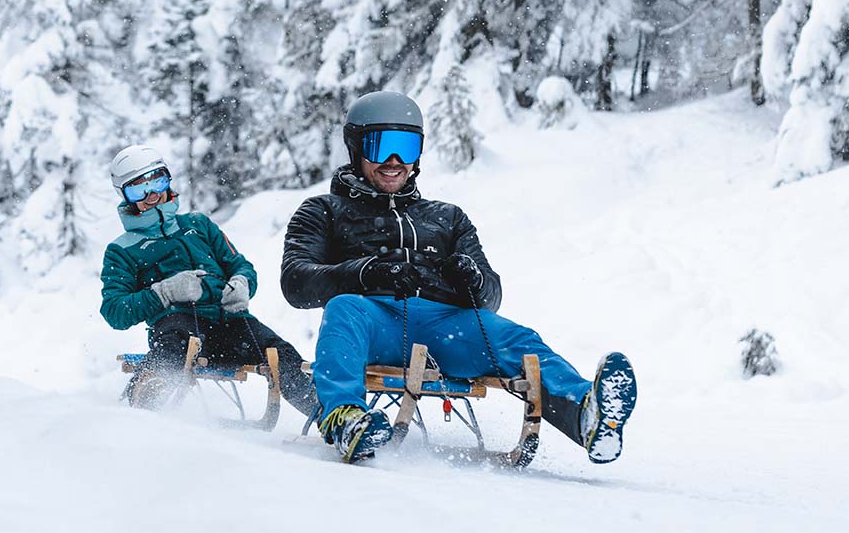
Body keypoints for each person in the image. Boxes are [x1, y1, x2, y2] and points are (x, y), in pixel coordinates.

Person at [280, 91, 637, 463]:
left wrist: (473, 279)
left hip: (444, 328)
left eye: (406, 147)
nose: (394, 161)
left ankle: (586, 415)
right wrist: (365, 271)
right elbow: (296, 281)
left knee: (509, 334)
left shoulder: (447, 217)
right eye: (382, 145)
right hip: (373, 320)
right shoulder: (324, 210)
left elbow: (491, 294)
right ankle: (346, 419)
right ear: (356, 148)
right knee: (343, 310)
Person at [100, 144, 319, 417]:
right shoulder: (123, 249)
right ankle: (144, 399)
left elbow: (240, 265)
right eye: (138, 189)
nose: (152, 194)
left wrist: (242, 283)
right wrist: (164, 292)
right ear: (125, 195)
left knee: (280, 352)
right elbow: (114, 311)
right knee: (174, 344)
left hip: (231, 324)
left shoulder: (198, 225)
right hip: (178, 327)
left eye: (157, 180)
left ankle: (329, 416)